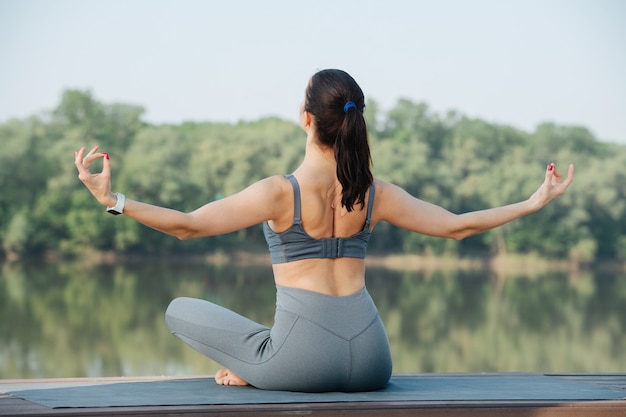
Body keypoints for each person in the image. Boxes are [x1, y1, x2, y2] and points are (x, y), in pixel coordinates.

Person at [74, 68, 574, 392]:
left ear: (305, 118)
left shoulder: (278, 192)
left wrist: (113, 201)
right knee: (267, 338)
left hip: (303, 362)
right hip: (375, 361)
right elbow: (458, 228)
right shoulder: (376, 193)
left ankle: (259, 363)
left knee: (179, 309)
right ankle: (264, 356)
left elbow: (187, 227)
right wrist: (535, 200)